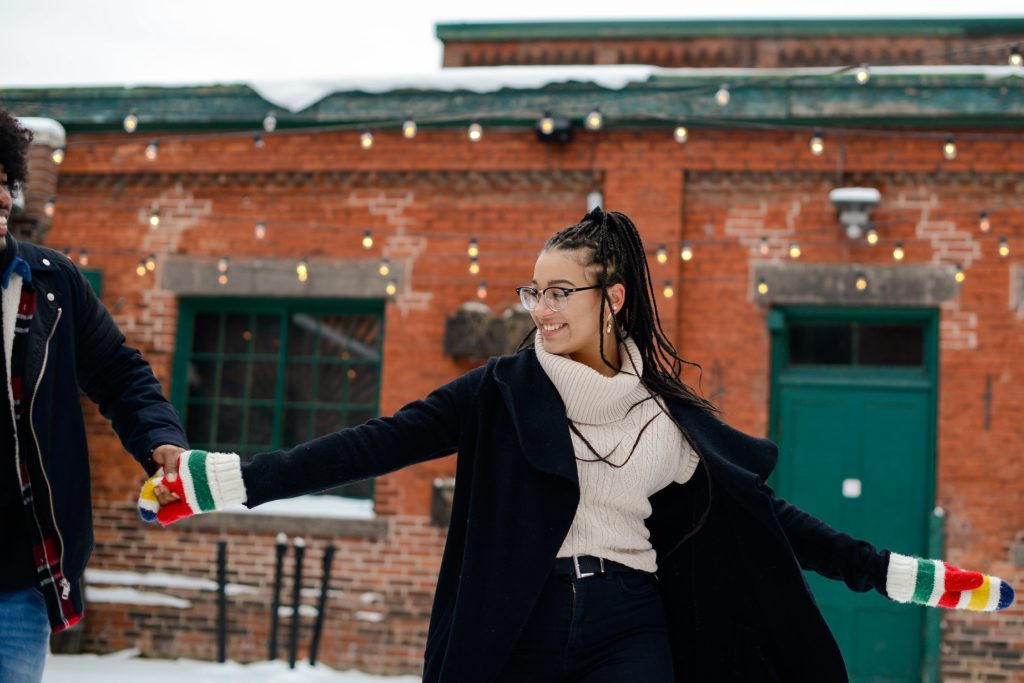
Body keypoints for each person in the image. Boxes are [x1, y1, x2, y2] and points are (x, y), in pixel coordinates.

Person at [141, 208, 1014, 682]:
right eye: (535, 290)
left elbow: (771, 520)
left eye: (562, 291)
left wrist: (905, 574)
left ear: (615, 298)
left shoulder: (664, 419)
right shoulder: (500, 391)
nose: (542, 308)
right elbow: (378, 441)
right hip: (514, 622)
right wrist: (233, 479)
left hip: (628, 623)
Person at [0, 108, 189, 683]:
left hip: (20, 576)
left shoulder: (51, 283)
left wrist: (160, 439)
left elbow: (119, 372)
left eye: (4, 191)